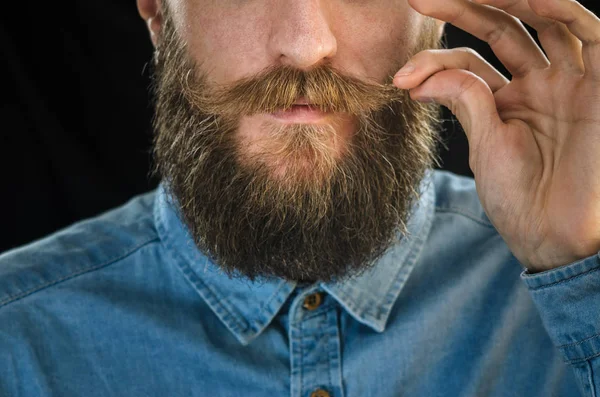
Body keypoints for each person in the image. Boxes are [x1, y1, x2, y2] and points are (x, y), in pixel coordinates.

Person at [1, 0, 599, 395]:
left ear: (435, 17)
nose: (306, 44)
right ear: (160, 14)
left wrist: (579, 271)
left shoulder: (576, 287)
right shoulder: (16, 339)